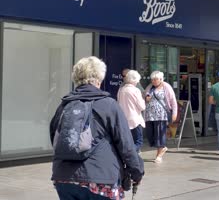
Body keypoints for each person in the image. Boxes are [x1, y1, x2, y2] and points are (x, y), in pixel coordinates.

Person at [50, 56, 144, 200]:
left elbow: (55, 138)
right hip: (100, 180)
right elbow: (126, 144)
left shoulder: (64, 105)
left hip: (63, 178)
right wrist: (137, 172)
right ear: (99, 79)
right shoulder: (108, 105)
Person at [144, 71, 178, 163]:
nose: (154, 81)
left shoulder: (166, 87)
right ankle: (162, 147)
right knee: (150, 135)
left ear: (161, 79)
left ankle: (159, 155)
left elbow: (173, 101)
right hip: (150, 115)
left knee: (160, 135)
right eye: (152, 79)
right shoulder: (150, 87)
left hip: (161, 115)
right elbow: (145, 95)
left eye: (156, 79)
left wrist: (174, 113)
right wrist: (146, 98)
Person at [117, 70, 146, 153]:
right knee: (138, 141)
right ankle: (129, 154)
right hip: (135, 120)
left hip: (124, 119)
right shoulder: (136, 90)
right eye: (137, 80)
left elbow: (119, 103)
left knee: (128, 141)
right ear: (135, 80)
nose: (137, 82)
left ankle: (129, 156)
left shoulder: (121, 90)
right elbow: (142, 107)